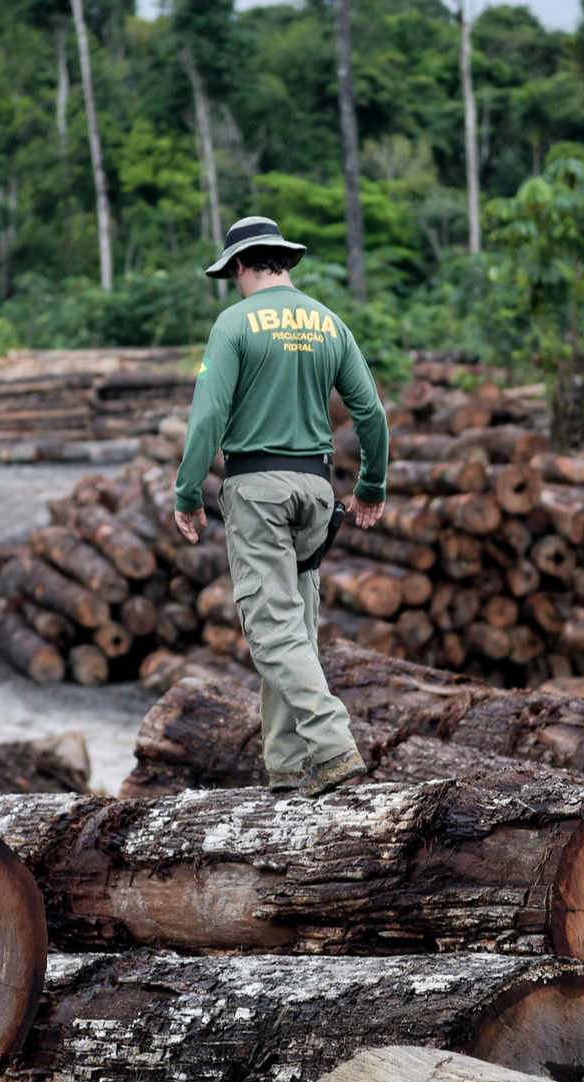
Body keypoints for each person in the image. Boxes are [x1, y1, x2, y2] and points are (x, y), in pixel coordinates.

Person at [174, 216, 389, 797]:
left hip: (257, 490)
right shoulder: (329, 322)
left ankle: (333, 744)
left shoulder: (234, 324)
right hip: (315, 491)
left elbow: (207, 418)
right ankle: (288, 769)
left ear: (241, 265)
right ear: (284, 262)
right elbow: (370, 413)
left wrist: (188, 492)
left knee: (270, 629)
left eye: (232, 274)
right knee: (294, 628)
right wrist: (371, 485)